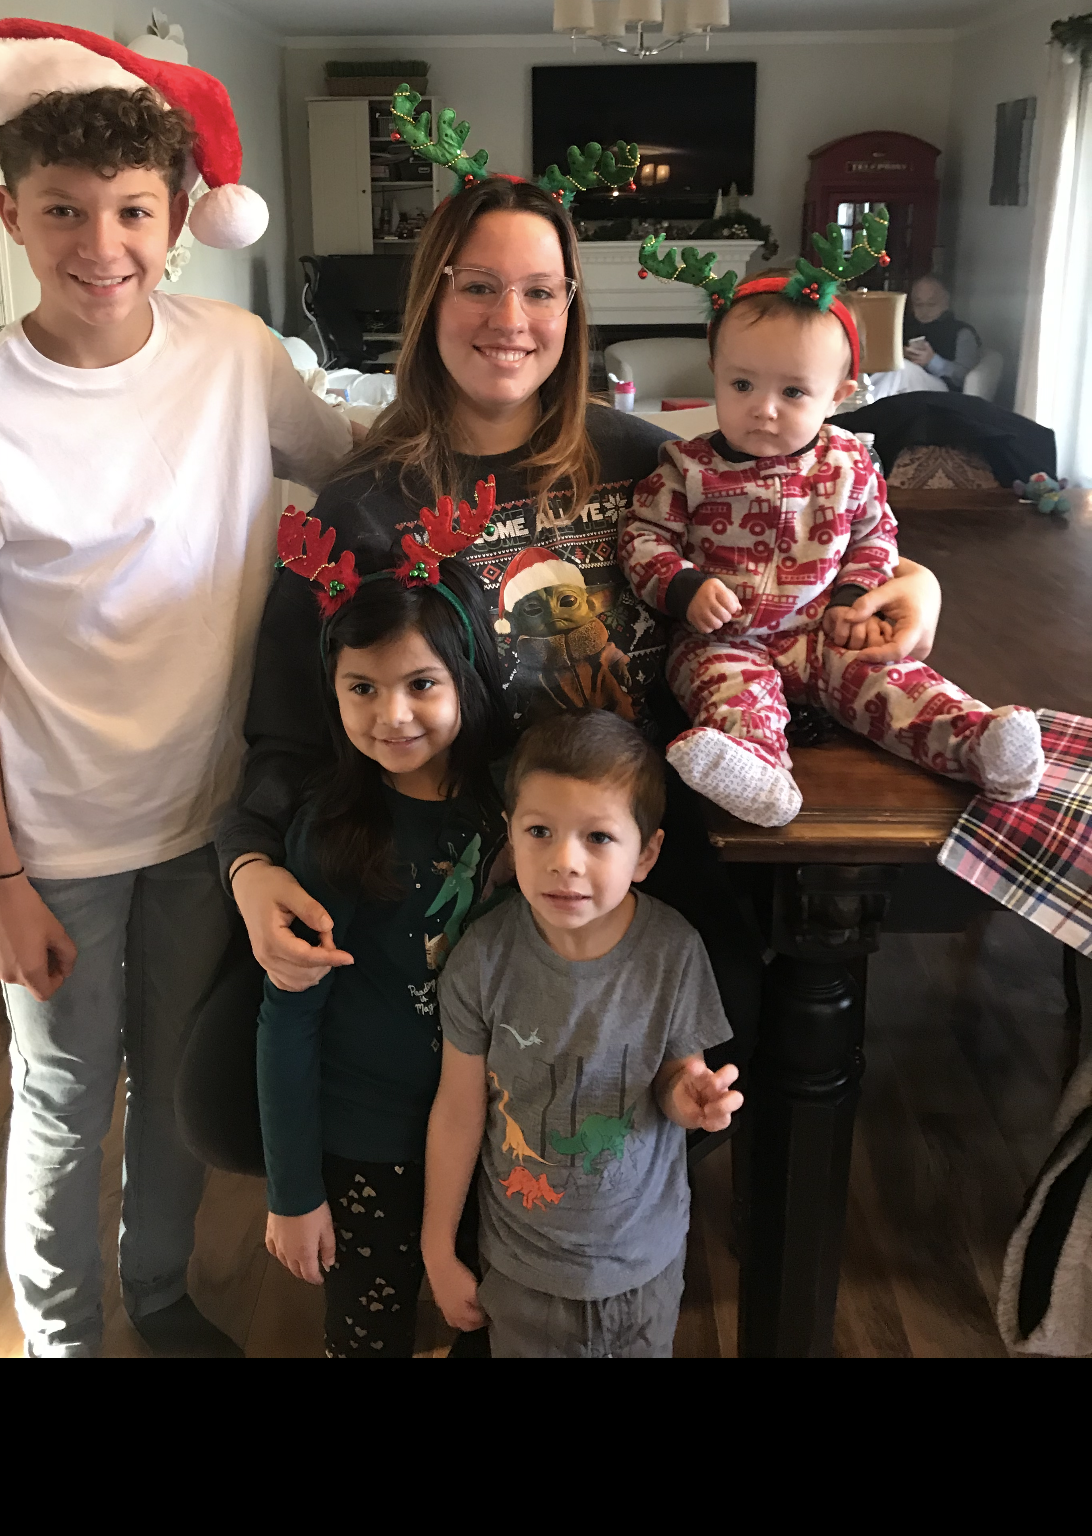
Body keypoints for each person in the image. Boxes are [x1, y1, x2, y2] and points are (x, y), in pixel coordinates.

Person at [215, 163, 945, 1089]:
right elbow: (285, 730)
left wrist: (916, 588)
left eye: (539, 291)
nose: (509, 320)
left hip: (645, 854)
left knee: (727, 1048)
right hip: (468, 874)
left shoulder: (650, 462)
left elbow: (801, 564)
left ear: (571, 308)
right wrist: (246, 862)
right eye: (477, 286)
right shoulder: (360, 513)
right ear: (431, 297)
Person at [0, 24, 355, 1359]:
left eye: (132, 212)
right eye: (62, 211)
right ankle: (61, 1334)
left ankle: (155, 1291)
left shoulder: (235, 355)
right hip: (50, 841)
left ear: (178, 221)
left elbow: (353, 469)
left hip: (208, 821)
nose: (99, 244)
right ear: (11, 213)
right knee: (61, 1095)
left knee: (170, 1092)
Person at [619, 266, 1043, 830]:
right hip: (719, 639)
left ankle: (977, 741)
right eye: (742, 385)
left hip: (823, 631)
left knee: (891, 681)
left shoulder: (849, 463)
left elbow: (875, 537)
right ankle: (758, 773)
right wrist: (682, 586)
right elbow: (642, 537)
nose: (763, 409)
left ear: (838, 396)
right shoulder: (686, 469)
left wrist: (853, 596)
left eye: (792, 391)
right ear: (715, 373)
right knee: (731, 697)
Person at [422, 713, 741, 1359]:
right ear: (510, 836)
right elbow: (458, 1109)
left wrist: (692, 1097)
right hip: (521, 1273)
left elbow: (678, 1076)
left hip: (643, 1266)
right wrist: (436, 1245)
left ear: (645, 854)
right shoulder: (482, 959)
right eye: (540, 832)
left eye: (598, 837)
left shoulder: (673, 951)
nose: (565, 862)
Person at [258, 560, 512, 1356]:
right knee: (368, 1335)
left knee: (490, 1318)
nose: (391, 715)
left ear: (466, 682)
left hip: (498, 1136)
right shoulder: (333, 834)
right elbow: (287, 1021)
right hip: (368, 1141)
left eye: (420, 685)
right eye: (361, 687)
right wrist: (294, 1193)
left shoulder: (517, 815)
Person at [902, 276, 981, 390]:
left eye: (931, 304)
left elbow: (964, 376)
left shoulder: (962, 332)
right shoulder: (905, 327)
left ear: (947, 301)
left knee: (904, 369)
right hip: (906, 386)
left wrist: (932, 361)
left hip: (942, 390)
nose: (924, 310)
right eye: (918, 304)